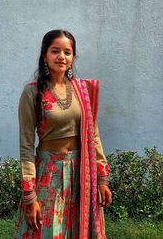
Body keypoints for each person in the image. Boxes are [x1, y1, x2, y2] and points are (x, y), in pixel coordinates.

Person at [14, 29, 112, 239]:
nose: (61, 56)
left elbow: (93, 135)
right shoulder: (31, 92)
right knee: (47, 229)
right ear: (44, 55)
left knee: (78, 230)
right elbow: (26, 146)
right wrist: (30, 195)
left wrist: (102, 178)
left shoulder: (82, 90)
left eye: (67, 52)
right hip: (50, 173)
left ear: (73, 57)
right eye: (55, 51)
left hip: (81, 172)